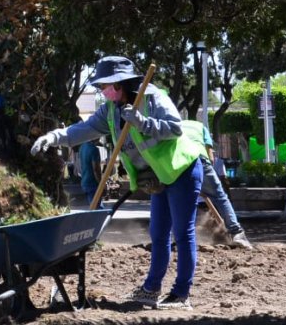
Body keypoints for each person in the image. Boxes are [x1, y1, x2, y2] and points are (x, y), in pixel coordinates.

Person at [32, 56, 205, 310]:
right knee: (158, 234)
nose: (102, 90)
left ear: (121, 84)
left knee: (182, 232)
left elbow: (175, 128)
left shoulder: (152, 98)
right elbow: (84, 129)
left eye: (105, 86)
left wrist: (142, 122)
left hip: (182, 170)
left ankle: (181, 294)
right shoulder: (110, 111)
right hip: (159, 177)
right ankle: (151, 289)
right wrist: (54, 137)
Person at [184, 120, 252, 249]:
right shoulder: (200, 127)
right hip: (199, 160)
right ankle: (236, 233)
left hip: (177, 164)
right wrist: (207, 178)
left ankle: (181, 236)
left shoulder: (172, 125)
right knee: (220, 197)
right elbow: (210, 155)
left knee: (183, 200)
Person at [78, 139, 103, 203]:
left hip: (84, 181)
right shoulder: (94, 149)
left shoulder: (82, 147)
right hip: (93, 182)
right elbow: (96, 169)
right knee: (97, 208)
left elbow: (80, 165)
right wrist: (101, 183)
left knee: (93, 205)